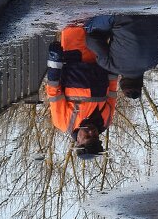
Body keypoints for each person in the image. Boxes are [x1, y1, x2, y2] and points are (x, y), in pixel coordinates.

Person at [45, 24, 119, 158]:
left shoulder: (63, 123)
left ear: (78, 142)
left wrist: (54, 64)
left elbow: (54, 92)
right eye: (95, 137)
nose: (92, 132)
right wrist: (113, 64)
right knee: (99, 17)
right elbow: (112, 91)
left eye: (88, 137)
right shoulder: (105, 121)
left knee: (75, 20)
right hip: (100, 58)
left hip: (75, 57)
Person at [84, 14, 158, 99]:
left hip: (152, 15)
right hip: (122, 15)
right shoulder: (111, 65)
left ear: (141, 82)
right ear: (122, 82)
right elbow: (91, 40)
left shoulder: (155, 61)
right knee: (89, 27)